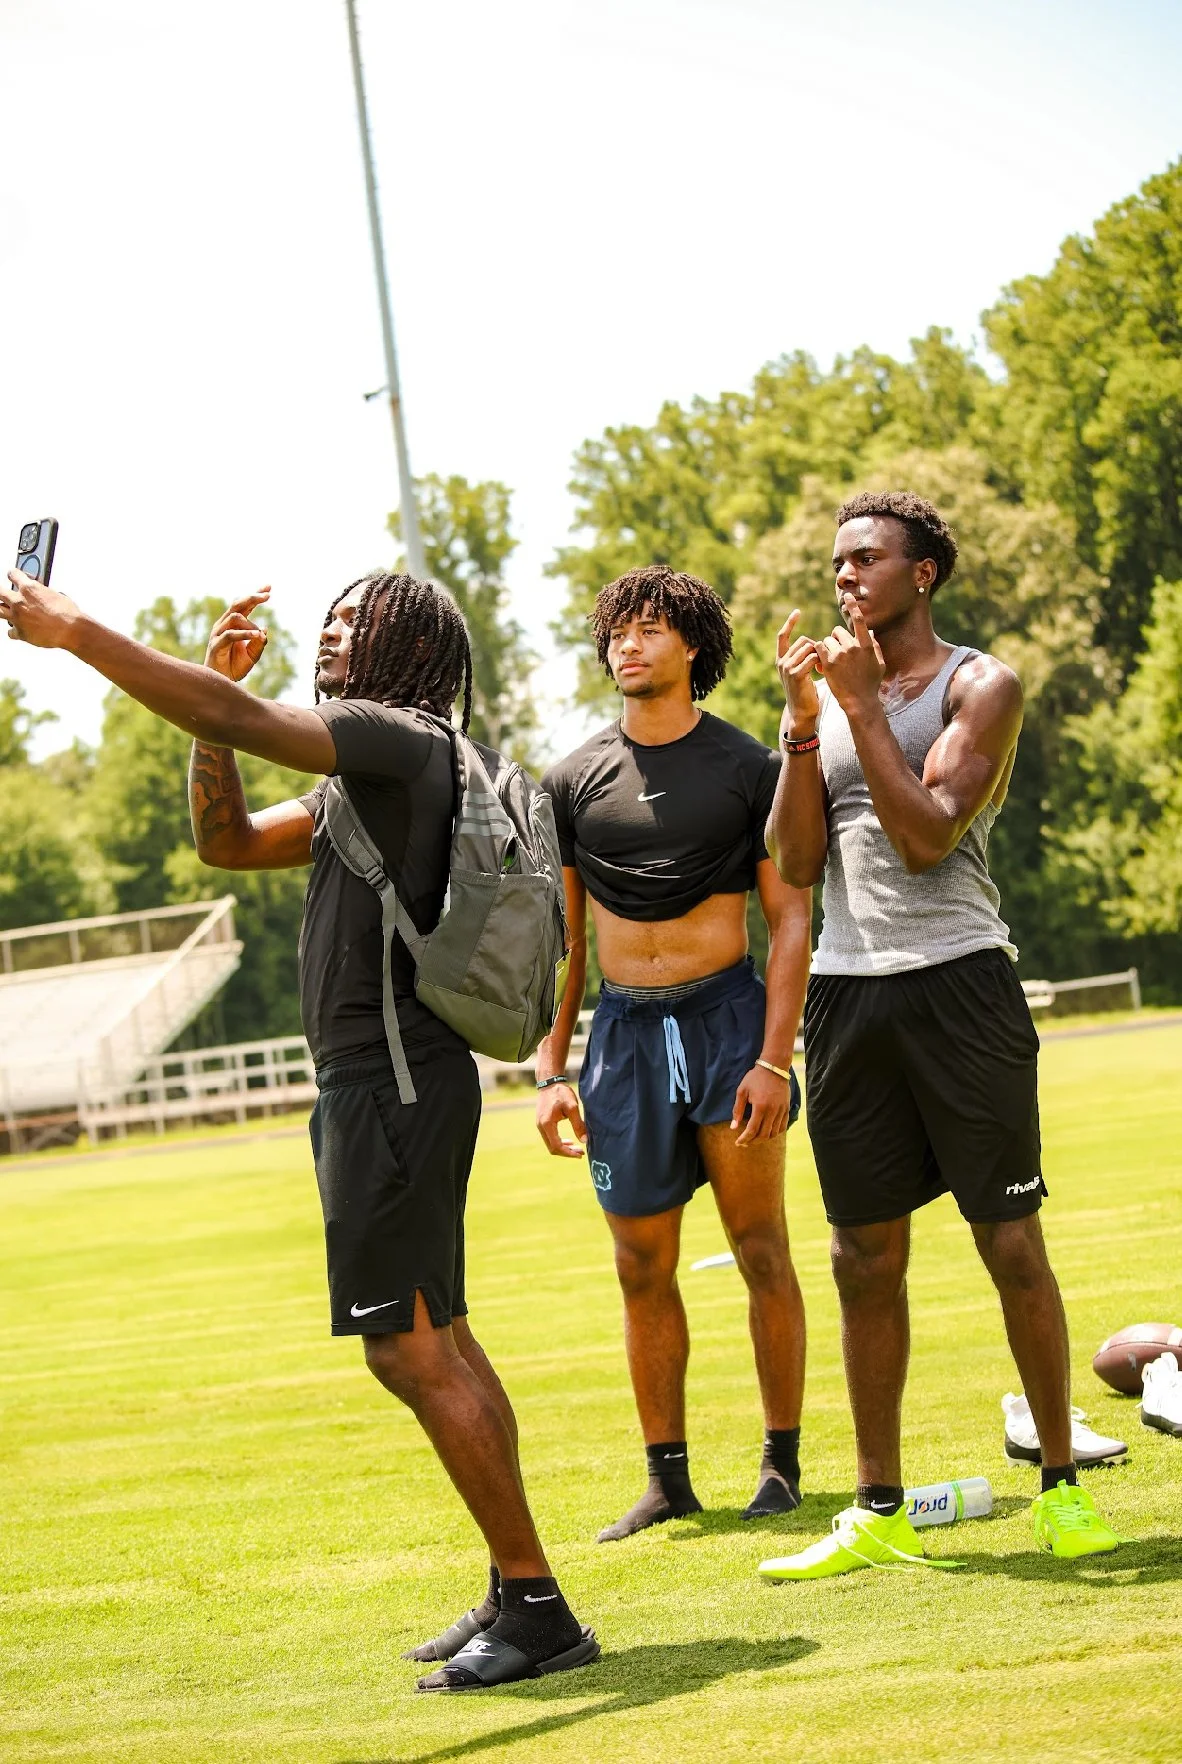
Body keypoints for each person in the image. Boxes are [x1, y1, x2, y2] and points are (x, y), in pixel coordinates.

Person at [0, 563, 599, 1687]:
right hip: (386, 1086)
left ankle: (538, 1609)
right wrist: (212, 722)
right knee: (440, 1334)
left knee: (409, 1346)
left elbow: (244, 715)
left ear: (408, 648)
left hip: (395, 1082)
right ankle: (516, 1588)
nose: (329, 636)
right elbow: (225, 843)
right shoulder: (375, 774)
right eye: (324, 622)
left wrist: (78, 632)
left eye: (352, 622)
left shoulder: (393, 735)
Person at [761, 490, 1120, 1577]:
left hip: (961, 981)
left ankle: (1059, 1484)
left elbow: (924, 839)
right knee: (862, 1255)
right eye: (837, 562)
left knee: (1009, 1240)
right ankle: (878, 1508)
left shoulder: (981, 684)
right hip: (847, 990)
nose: (845, 577)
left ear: (923, 574)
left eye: (866, 559)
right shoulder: (837, 696)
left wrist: (861, 707)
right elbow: (797, 862)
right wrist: (800, 725)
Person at [537, 565, 813, 1540]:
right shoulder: (570, 779)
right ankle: (667, 1481)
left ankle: (780, 1464)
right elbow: (561, 943)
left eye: (648, 629)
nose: (628, 645)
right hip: (622, 1040)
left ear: (691, 646)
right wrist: (550, 1071)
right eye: (617, 630)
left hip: (729, 1024)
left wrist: (773, 1060)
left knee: (759, 1247)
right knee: (638, 1264)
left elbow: (789, 923)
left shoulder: (749, 768)